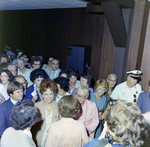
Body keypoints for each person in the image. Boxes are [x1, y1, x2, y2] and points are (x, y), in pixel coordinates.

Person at [32, 79, 60, 147]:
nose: (49, 97)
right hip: (39, 139)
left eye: (51, 94)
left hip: (54, 140)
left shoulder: (59, 106)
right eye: (46, 94)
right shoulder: (36, 106)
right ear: (42, 94)